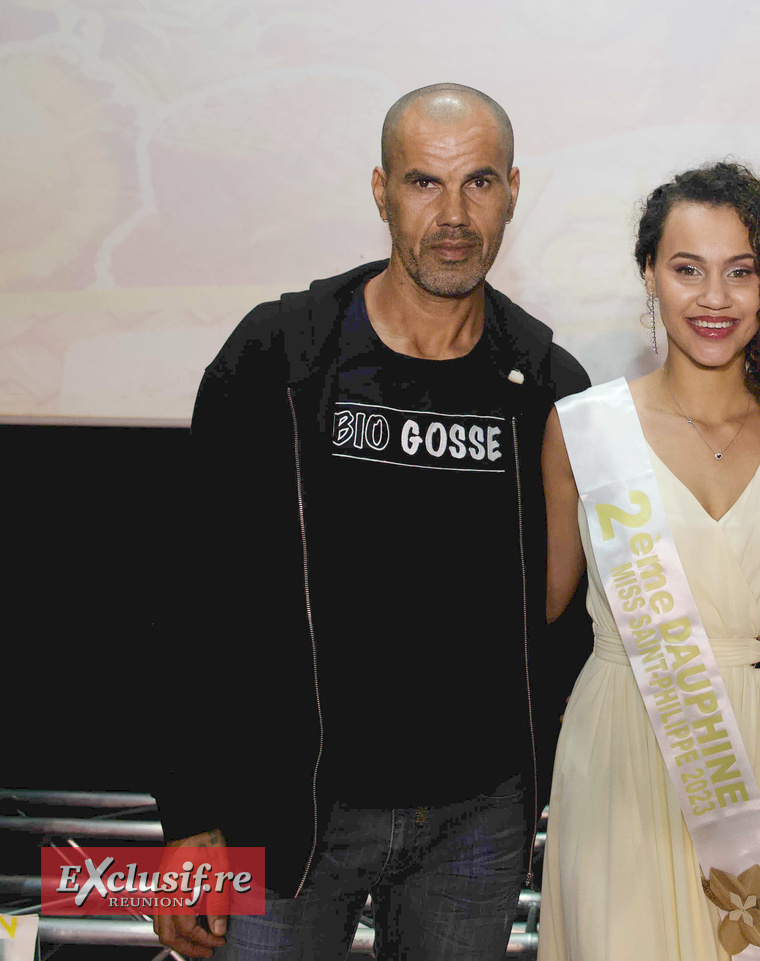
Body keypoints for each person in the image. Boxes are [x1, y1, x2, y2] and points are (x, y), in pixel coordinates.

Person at [152, 83, 589, 960]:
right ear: (382, 189)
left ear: (513, 190)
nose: (455, 215)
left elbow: (561, 617)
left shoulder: (548, 384)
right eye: (426, 183)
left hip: (476, 823)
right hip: (286, 812)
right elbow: (190, 595)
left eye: (480, 183)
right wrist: (189, 816)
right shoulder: (277, 355)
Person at [538, 162, 760, 961]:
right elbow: (539, 608)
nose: (715, 298)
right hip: (626, 751)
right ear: (649, 274)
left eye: (740, 272)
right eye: (688, 269)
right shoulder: (583, 429)